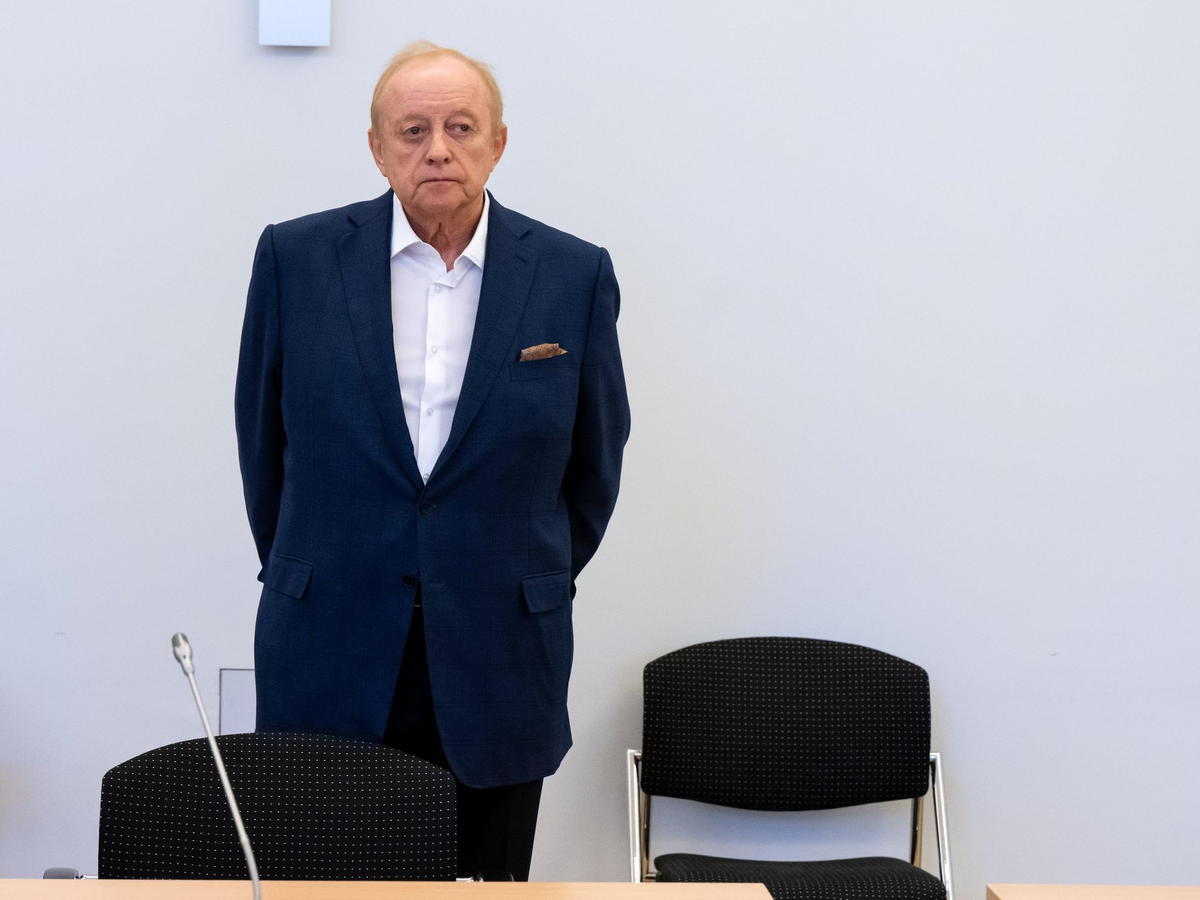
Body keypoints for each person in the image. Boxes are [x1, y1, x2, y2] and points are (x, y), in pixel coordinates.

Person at [234, 41, 630, 881]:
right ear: (377, 148)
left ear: (498, 142)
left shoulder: (572, 275)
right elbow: (262, 448)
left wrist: (526, 571)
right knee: (323, 884)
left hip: (499, 648)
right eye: (413, 130)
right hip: (330, 639)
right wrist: (316, 564)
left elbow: (594, 464)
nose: (438, 149)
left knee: (487, 885)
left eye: (461, 127)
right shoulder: (295, 261)